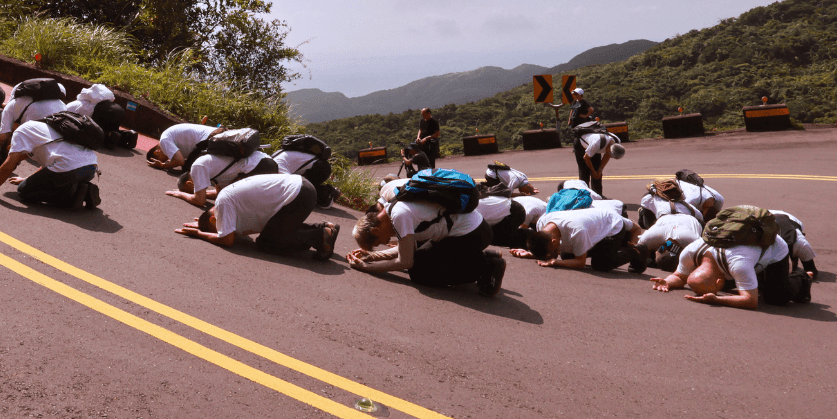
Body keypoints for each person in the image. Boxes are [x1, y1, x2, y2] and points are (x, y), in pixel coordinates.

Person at [347, 190, 504, 297]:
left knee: (420, 273)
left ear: (375, 231)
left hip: (473, 235)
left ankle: (486, 266)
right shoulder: (393, 210)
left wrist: (367, 268)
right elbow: (408, 249)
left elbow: (405, 261)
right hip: (472, 229)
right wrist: (373, 256)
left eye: (377, 243)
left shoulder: (400, 216)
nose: (383, 243)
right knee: (420, 261)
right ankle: (478, 257)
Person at [176, 174, 339, 260]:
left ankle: (319, 236)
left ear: (213, 219)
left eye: (217, 228)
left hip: (299, 194)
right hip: (299, 188)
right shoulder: (224, 204)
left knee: (267, 242)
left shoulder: (223, 204)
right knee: (271, 231)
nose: (222, 230)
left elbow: (227, 240)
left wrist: (198, 234)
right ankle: (323, 230)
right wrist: (211, 228)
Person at [0, 116, 101, 209]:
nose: (17, 159)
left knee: (25, 191)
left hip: (69, 169)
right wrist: (28, 178)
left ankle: (73, 194)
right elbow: (48, 164)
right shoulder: (41, 130)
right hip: (90, 168)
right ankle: (80, 187)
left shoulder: (20, 133)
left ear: (9, 145)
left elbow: (8, 166)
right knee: (47, 180)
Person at [650, 225, 797, 309]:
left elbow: (751, 301)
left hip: (773, 248)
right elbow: (680, 276)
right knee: (744, 283)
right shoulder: (689, 253)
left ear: (719, 282)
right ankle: (755, 280)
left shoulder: (738, 265)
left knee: (776, 298)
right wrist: (668, 281)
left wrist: (717, 300)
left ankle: (801, 277)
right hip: (744, 258)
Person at [531, 205, 641, 272]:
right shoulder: (542, 223)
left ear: (553, 242)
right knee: (567, 256)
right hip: (595, 222)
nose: (552, 256)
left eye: (551, 253)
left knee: (601, 264)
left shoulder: (577, 231)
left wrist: (555, 262)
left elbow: (580, 263)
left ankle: (636, 252)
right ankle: (601, 250)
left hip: (612, 226)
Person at [167, 148, 278, 208]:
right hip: (267, 162)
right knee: (230, 197)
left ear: (189, 184)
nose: (195, 192)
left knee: (238, 201)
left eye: (192, 190)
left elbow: (200, 200)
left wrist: (181, 194)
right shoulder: (214, 171)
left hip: (258, 167)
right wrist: (194, 194)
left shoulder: (197, 167)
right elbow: (219, 193)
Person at [0, 82, 66, 153]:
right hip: (55, 145)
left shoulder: (13, 104)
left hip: (36, 147)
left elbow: (1, 139)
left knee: (14, 126)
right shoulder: (63, 105)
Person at [572, 126, 624, 196]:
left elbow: (607, 156)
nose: (609, 156)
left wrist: (599, 170)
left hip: (597, 147)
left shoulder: (617, 142)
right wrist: (593, 171)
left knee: (597, 170)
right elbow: (586, 158)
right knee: (584, 172)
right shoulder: (597, 143)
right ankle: (584, 196)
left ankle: (598, 195)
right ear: (608, 149)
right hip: (580, 144)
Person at [147, 123, 220, 171]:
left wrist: (162, 165)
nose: (167, 159)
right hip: (215, 134)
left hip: (212, 138)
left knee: (188, 168)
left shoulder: (164, 141)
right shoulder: (167, 137)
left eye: (163, 159)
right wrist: (173, 162)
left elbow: (180, 161)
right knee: (188, 165)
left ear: (157, 152)